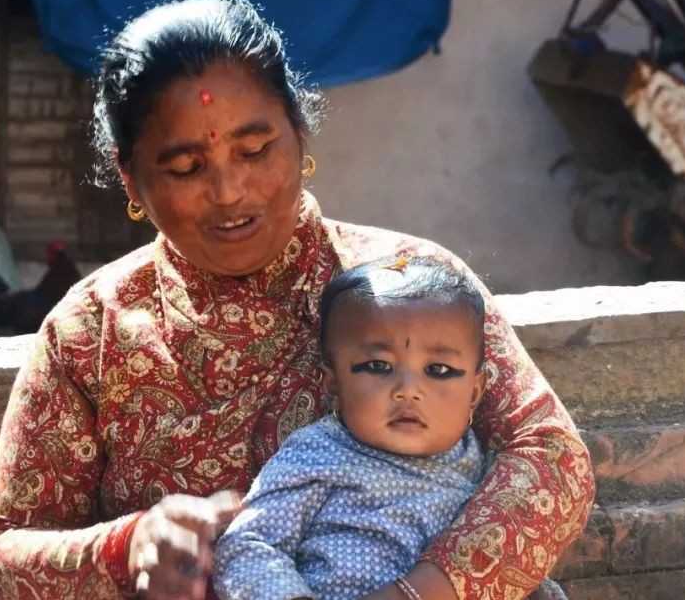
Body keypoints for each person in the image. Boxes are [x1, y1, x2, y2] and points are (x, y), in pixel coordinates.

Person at [0, 0, 594, 600]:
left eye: (256, 149)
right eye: (186, 169)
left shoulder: (410, 285)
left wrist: (419, 592)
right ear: (131, 177)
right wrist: (128, 548)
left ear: (300, 133)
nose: (230, 190)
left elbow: (551, 459)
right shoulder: (90, 331)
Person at [212, 257, 566, 600]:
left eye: (439, 370)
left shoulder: (486, 469)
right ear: (332, 384)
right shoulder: (318, 452)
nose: (408, 390)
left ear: (475, 392)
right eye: (378, 366)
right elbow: (248, 544)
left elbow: (516, 564)